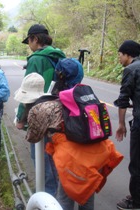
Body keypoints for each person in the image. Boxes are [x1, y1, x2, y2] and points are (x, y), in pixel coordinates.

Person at [15, 70, 123, 210]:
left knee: (64, 199)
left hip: (74, 159)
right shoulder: (58, 100)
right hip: (99, 150)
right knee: (86, 194)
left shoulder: (38, 110)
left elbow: (33, 137)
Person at [15, 23, 66, 196]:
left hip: (40, 114)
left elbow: (27, 91)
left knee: (40, 157)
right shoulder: (59, 56)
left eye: (29, 41)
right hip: (59, 113)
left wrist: (21, 119)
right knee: (53, 155)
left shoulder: (36, 59)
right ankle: (56, 194)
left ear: (35, 39)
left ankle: (47, 198)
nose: (29, 46)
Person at [114, 40, 140, 210]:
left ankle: (136, 201)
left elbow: (123, 100)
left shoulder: (131, 69)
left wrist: (121, 124)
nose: (119, 58)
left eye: (120, 55)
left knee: (137, 163)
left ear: (128, 54)